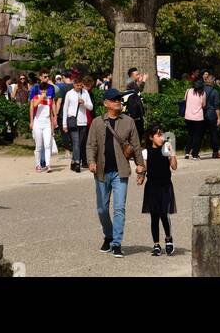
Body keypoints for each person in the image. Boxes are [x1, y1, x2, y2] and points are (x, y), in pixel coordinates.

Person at [86, 87, 145, 258]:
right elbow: (91, 145)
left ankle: (117, 243)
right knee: (102, 209)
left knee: (119, 208)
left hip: (121, 172)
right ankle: (109, 235)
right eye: (114, 100)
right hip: (102, 172)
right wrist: (91, 161)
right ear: (106, 104)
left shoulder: (128, 121)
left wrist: (141, 169)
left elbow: (136, 146)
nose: (118, 102)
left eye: (119, 99)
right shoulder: (97, 122)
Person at [141, 124, 177, 256]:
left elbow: (174, 167)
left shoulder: (166, 149)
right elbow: (143, 170)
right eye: (158, 134)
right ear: (151, 137)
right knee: (154, 216)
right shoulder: (145, 152)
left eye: (162, 134)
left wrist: (172, 152)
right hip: (152, 186)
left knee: (164, 214)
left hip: (165, 185)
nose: (161, 137)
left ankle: (168, 239)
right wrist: (140, 176)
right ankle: (156, 244)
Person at [62, 75, 93, 171]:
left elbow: (91, 107)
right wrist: (64, 124)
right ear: (74, 84)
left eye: (81, 85)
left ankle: (73, 161)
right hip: (73, 121)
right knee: (75, 143)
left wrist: (84, 103)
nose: (79, 87)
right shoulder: (69, 94)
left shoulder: (85, 93)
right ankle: (77, 163)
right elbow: (65, 109)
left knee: (79, 143)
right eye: (78, 85)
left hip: (83, 122)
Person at [30, 78, 56, 173]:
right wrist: (41, 97)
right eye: (42, 90)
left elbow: (52, 112)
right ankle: (38, 165)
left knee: (47, 144)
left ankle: (48, 165)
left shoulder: (50, 100)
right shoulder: (36, 97)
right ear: (40, 90)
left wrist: (53, 122)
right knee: (39, 146)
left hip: (47, 124)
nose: (44, 91)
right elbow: (34, 105)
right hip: (38, 123)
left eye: (45, 90)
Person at [202, 71, 220, 159]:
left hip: (201, 114)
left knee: (200, 133)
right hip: (211, 115)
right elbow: (217, 107)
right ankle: (215, 152)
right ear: (213, 82)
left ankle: (194, 152)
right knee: (213, 134)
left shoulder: (201, 90)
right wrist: (219, 118)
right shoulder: (215, 92)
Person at [182, 78, 206, 159]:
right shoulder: (203, 93)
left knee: (190, 134)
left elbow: (185, 100)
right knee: (197, 136)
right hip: (198, 117)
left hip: (188, 116)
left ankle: (187, 152)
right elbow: (203, 105)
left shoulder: (188, 91)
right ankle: (195, 153)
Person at [121, 69, 145, 143]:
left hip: (127, 119)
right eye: (137, 75)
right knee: (137, 139)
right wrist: (143, 81)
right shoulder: (136, 93)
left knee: (130, 139)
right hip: (137, 119)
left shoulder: (124, 94)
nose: (138, 76)